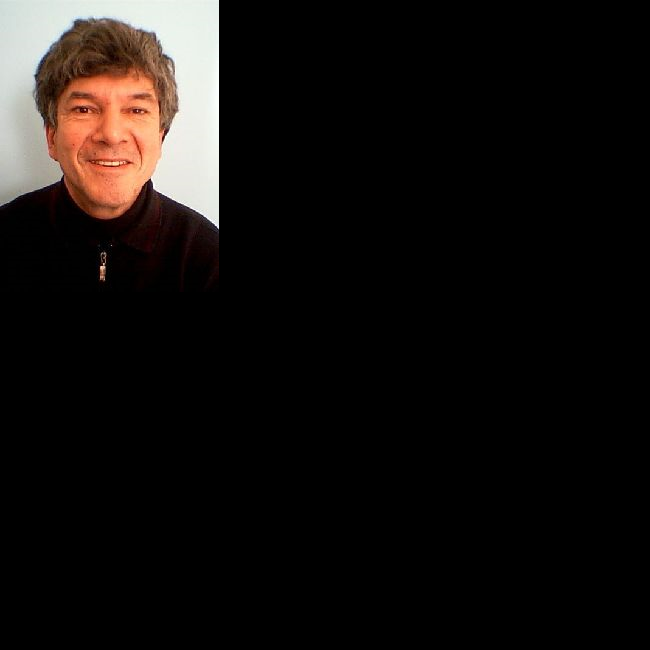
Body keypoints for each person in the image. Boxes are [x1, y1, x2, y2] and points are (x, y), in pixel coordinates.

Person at [0, 18, 219, 292]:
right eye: (84, 109)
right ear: (51, 136)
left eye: (136, 110)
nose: (112, 134)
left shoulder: (207, 259)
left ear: (160, 137)